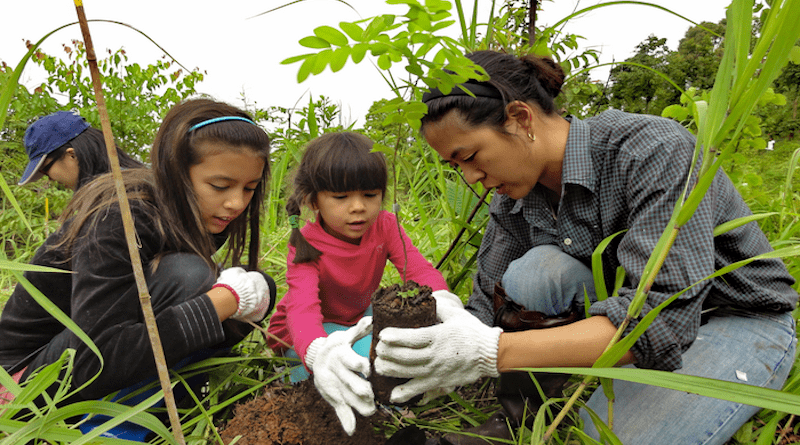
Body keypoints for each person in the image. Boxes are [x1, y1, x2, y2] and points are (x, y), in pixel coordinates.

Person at [373, 50, 799, 445]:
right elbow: (486, 305)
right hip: (620, 311)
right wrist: (398, 350)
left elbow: (662, 318)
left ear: (520, 118)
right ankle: (519, 418)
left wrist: (491, 352)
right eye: (455, 166)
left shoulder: (651, 150)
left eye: (470, 156)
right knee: (535, 271)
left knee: (605, 435)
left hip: (734, 316)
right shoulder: (515, 194)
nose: (470, 177)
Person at [0, 98, 276, 439]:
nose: (236, 203)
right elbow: (94, 358)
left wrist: (241, 300)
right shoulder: (118, 215)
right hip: (22, 382)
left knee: (259, 287)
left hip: (86, 357)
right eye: (220, 186)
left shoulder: (198, 214)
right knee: (191, 277)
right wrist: (223, 302)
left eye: (249, 189)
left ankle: (170, 407)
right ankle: (113, 431)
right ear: (177, 173)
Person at [266, 132, 449, 436]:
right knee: (332, 384)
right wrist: (316, 351)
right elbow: (301, 307)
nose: (358, 207)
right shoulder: (306, 241)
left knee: (387, 363)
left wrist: (446, 307)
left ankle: (386, 408)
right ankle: (291, 374)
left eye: (369, 195)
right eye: (341, 198)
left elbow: (418, 269)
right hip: (304, 332)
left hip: (355, 319)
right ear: (313, 200)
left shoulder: (385, 226)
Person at [18, 110, 144, 191]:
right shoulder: (137, 179)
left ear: (72, 155)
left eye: (45, 169)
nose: (49, 179)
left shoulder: (119, 193)